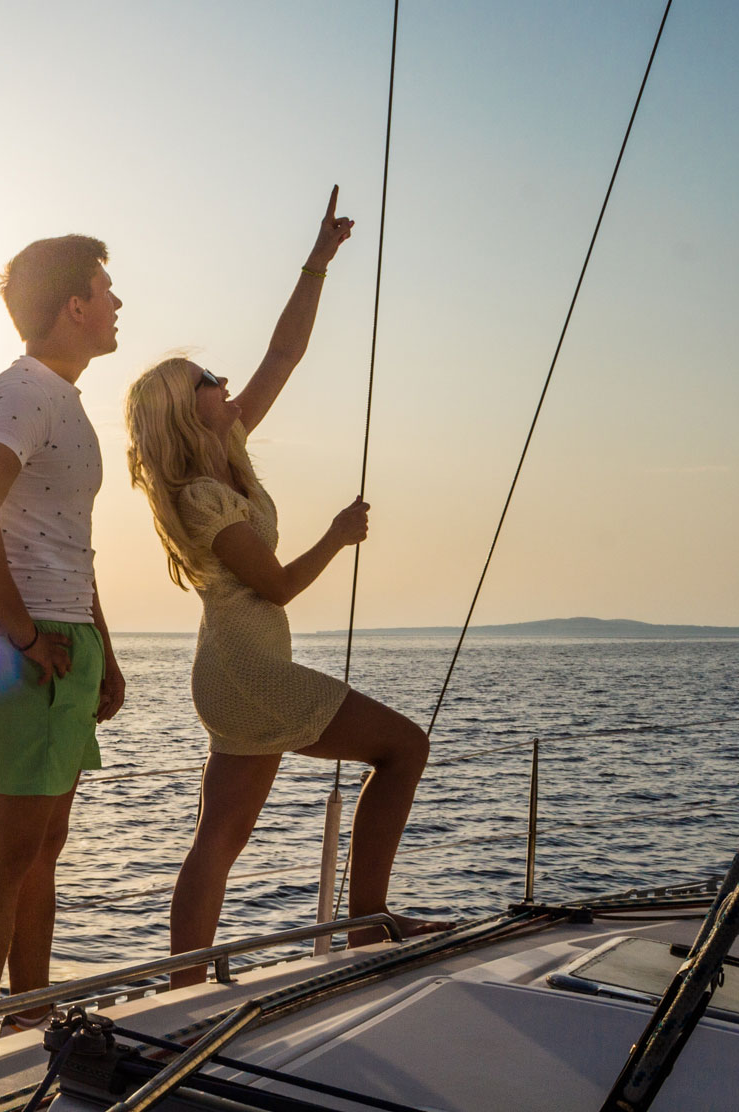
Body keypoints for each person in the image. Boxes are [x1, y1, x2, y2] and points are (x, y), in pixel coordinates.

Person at [122, 187, 445, 983]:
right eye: (209, 378)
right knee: (405, 748)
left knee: (217, 841)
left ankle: (183, 987)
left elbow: (282, 357)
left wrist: (319, 261)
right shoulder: (203, 497)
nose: (225, 383)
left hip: (232, 672)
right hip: (251, 672)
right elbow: (277, 586)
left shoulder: (222, 455)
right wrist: (338, 536)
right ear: (182, 404)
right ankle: (369, 924)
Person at [0, 235, 127, 1031]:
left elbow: (67, 545)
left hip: (61, 639)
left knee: (43, 845)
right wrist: (21, 636)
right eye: (106, 290)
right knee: (8, 851)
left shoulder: (63, 396)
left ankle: (30, 1018)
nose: (118, 305)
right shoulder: (22, 391)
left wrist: (106, 652)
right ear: (74, 306)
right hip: (24, 646)